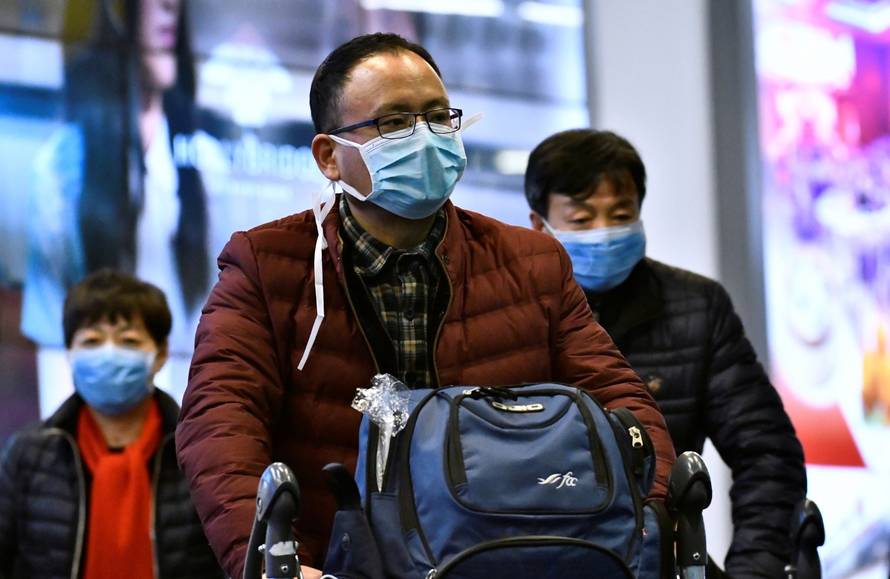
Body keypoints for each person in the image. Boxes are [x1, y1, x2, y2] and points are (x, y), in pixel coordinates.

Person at [175, 33, 676, 579]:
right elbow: (219, 424)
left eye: (439, 117)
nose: (425, 137)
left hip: (508, 556)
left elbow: (620, 401)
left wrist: (645, 520)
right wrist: (275, 559)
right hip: (339, 562)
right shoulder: (269, 264)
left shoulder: (531, 262)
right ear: (329, 157)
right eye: (393, 123)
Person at [524, 128, 807, 578]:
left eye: (620, 214)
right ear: (539, 224)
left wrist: (755, 567)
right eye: (580, 221)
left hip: (663, 559)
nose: (605, 233)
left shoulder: (696, 306)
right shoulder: (512, 314)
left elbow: (766, 452)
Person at [21, 0, 210, 412]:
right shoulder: (60, 167)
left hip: (182, 426)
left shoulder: (203, 165)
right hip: (85, 418)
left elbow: (210, 323)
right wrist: (61, 445)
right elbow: (51, 324)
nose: (169, 8)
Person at [0, 270, 221, 578]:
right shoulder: (29, 454)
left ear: (160, 355)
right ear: (69, 354)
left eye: (128, 341)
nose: (108, 354)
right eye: (91, 341)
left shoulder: (202, 454)